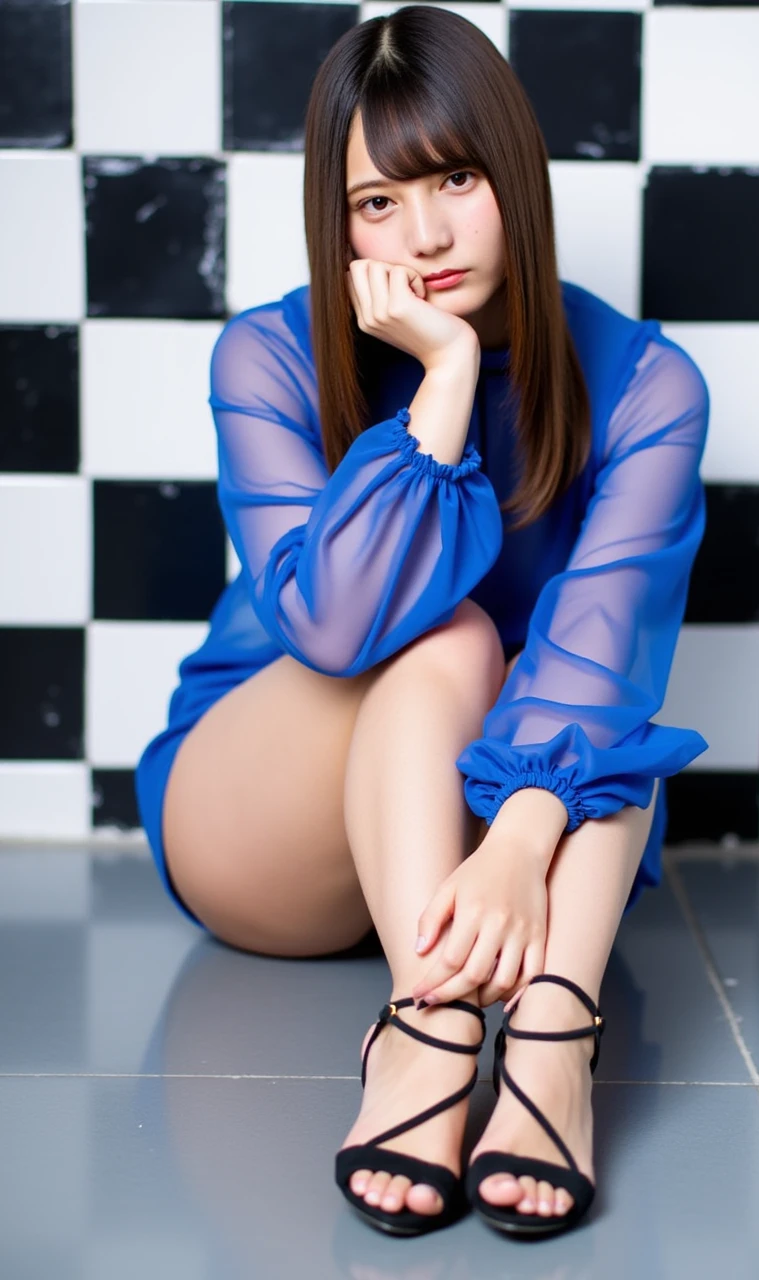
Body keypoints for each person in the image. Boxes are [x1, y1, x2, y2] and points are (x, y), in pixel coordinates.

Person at [134, 3, 710, 1242]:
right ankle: (435, 1025)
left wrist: (516, 839)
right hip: (268, 818)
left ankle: (551, 1046)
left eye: (455, 177)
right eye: (378, 202)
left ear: (515, 173)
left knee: (615, 737)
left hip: (476, 824)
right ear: (334, 221)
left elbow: (602, 647)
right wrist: (441, 386)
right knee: (450, 637)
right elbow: (339, 629)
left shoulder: (648, 384)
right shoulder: (270, 357)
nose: (428, 233)